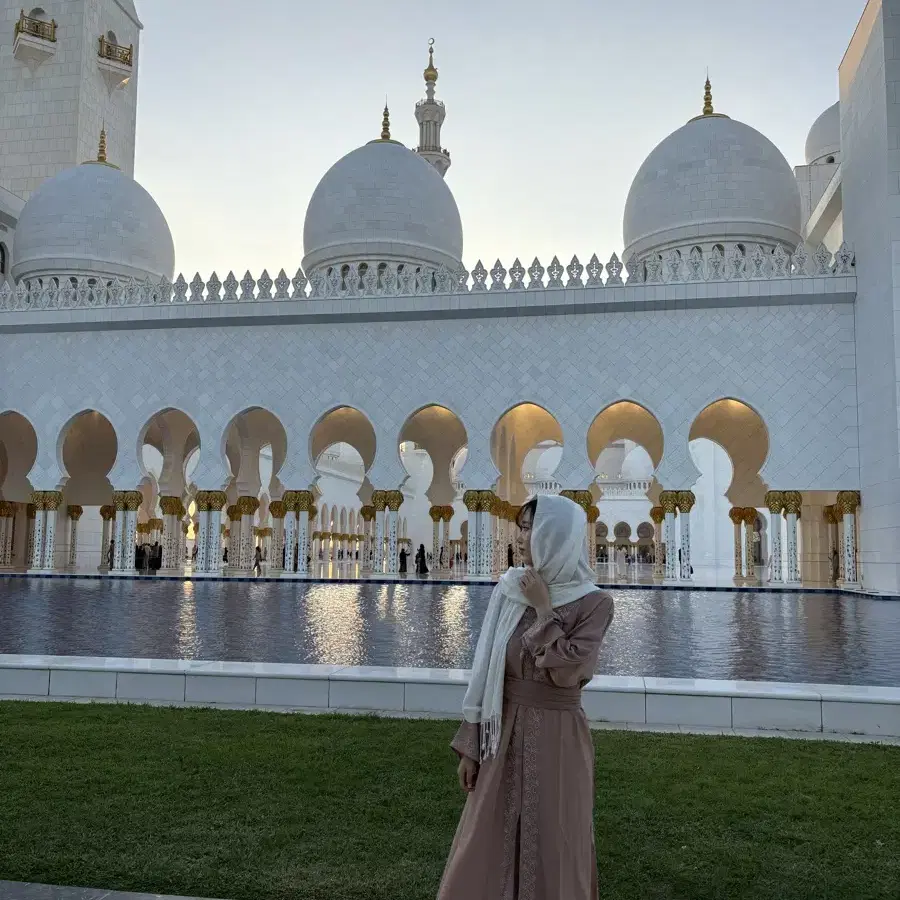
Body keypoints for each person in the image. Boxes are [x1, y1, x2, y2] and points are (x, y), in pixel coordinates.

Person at [438, 494, 614, 900]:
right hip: (504, 732)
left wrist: (542, 610)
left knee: (556, 835)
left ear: (556, 534)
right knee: (489, 831)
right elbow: (488, 670)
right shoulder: (510, 589)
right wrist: (471, 746)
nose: (520, 536)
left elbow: (570, 672)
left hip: (559, 737)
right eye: (520, 527)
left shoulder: (594, 603)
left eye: (530, 527)